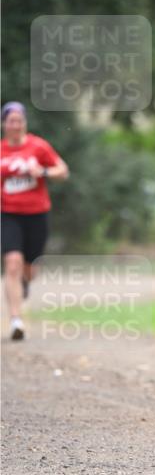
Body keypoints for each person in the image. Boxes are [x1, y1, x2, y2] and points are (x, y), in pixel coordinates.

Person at [1, 102, 69, 340]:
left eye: (20, 120)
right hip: (7, 214)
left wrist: (42, 172)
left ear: (25, 123)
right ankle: (16, 321)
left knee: (30, 268)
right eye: (11, 120)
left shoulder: (38, 146)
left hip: (37, 215)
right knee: (12, 263)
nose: (16, 125)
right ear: (4, 124)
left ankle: (25, 282)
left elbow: (63, 170)